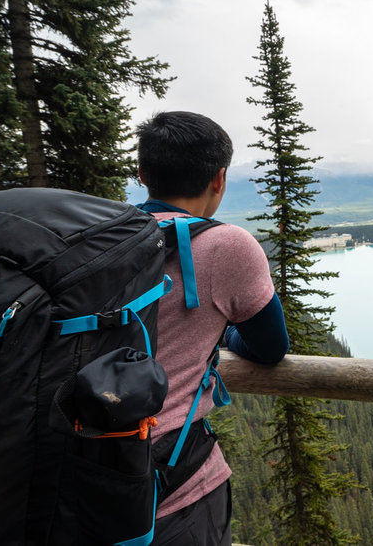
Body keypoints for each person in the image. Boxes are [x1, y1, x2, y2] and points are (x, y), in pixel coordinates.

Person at [135, 110, 289, 546]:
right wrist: (220, 333)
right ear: (219, 179)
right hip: (174, 484)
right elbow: (270, 348)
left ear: (142, 173)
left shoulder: (101, 238)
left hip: (76, 474)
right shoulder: (228, 245)